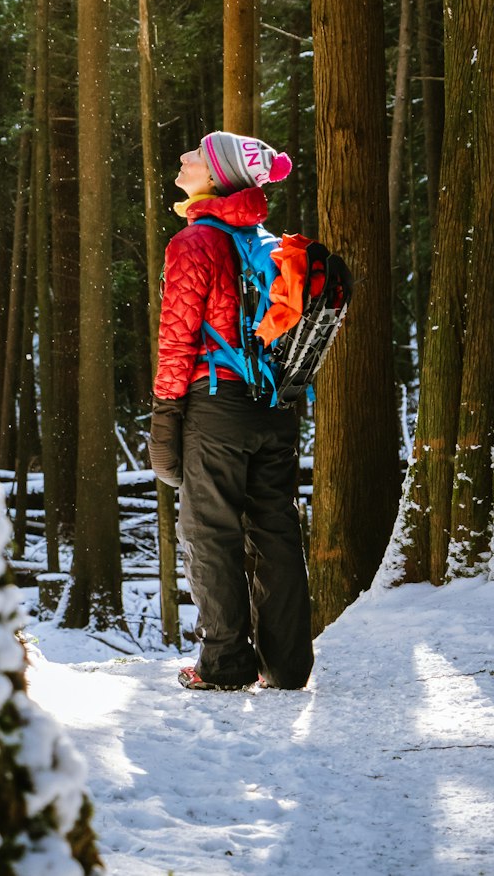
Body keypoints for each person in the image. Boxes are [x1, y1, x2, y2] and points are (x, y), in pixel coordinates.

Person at [149, 130, 314, 691]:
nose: (183, 156)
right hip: (274, 406)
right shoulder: (264, 242)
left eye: (194, 154)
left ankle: (223, 663)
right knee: (276, 530)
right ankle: (288, 666)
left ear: (218, 178)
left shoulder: (195, 243)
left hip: (216, 406)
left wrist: (165, 412)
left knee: (211, 533)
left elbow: (178, 338)